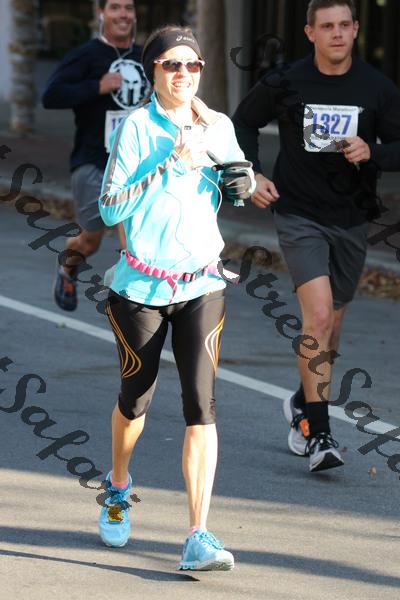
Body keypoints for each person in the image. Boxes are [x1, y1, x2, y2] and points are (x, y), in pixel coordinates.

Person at [97, 25, 254, 570]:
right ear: (153, 72)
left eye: (192, 64)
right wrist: (169, 164)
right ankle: (118, 486)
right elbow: (110, 209)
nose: (183, 73)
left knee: (201, 404)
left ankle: (198, 535)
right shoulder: (137, 127)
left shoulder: (218, 125)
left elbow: (238, 179)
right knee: (135, 400)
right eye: (171, 64)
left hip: (202, 283)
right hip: (139, 288)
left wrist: (242, 183)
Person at [232, 0, 400, 472]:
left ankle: (303, 402)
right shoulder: (286, 81)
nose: (337, 33)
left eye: (344, 25)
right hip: (299, 214)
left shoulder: (377, 87)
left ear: (356, 29)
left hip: (352, 217)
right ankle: (319, 434)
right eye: (327, 26)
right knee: (319, 316)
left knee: (331, 328)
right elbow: (242, 122)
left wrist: (373, 153)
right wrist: (251, 172)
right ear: (310, 33)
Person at [42, 0, 150, 311]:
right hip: (94, 161)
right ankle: (68, 265)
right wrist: (96, 86)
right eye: (115, 7)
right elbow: (51, 96)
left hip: (137, 166)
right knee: (89, 241)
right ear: (101, 13)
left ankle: (137, 308)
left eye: (128, 8)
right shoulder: (86, 55)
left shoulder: (145, 57)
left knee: (134, 241)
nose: (123, 14)